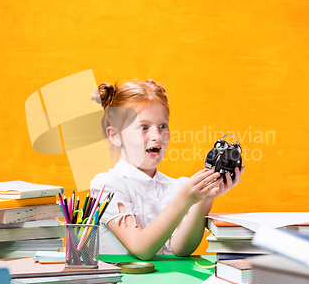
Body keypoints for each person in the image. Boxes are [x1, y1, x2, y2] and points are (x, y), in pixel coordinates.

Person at [90, 79, 244, 260]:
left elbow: (181, 248)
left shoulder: (175, 187)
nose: (157, 136)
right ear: (115, 136)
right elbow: (141, 248)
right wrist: (183, 200)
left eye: (162, 126)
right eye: (144, 127)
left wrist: (203, 199)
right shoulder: (107, 186)